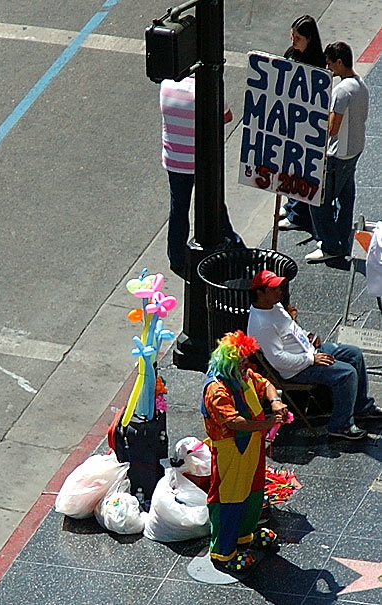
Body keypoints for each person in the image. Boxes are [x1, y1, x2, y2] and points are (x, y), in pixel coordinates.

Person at [247, 270, 382, 440]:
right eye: (274, 289)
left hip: (309, 351)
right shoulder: (262, 324)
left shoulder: (274, 305)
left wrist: (309, 335)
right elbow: (278, 360)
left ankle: (362, 407)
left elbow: (292, 329)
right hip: (297, 368)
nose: (280, 290)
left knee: (354, 354)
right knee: (346, 374)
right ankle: (341, 425)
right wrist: (311, 359)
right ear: (260, 293)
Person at [200, 330, 288, 572]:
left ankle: (245, 536)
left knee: (254, 491)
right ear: (229, 363)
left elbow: (265, 383)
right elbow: (234, 422)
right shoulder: (217, 391)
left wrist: (275, 401)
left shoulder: (244, 376)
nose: (246, 366)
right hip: (231, 451)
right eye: (241, 362)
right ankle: (223, 552)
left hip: (253, 446)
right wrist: (267, 424)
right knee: (229, 499)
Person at [160, 75, 243, 277]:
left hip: (174, 158)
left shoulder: (166, 85)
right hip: (201, 160)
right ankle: (235, 246)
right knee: (214, 205)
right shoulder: (206, 87)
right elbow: (227, 116)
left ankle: (177, 257)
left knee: (178, 209)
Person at [305, 42, 369, 263]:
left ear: (340, 62)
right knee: (345, 196)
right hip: (354, 150)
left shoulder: (341, 91)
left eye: (331, 63)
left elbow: (332, 128)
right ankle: (342, 239)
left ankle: (330, 245)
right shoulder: (361, 85)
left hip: (337, 155)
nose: (329, 67)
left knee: (318, 200)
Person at [279, 15, 326, 233]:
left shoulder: (316, 63)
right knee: (287, 166)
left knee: (300, 169)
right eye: (292, 35)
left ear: (309, 39)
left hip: (304, 125)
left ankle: (298, 213)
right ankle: (290, 205)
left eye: (297, 37)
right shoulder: (292, 54)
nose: (293, 40)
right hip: (289, 119)